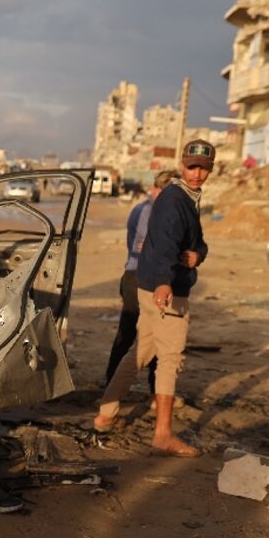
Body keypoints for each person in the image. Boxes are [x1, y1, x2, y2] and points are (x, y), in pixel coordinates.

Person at [93, 140, 214, 457]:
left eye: (203, 168)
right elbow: (163, 245)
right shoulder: (175, 201)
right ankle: (162, 435)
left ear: (210, 170)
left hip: (150, 286)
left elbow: (198, 242)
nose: (197, 174)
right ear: (182, 165)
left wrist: (198, 255)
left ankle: (105, 415)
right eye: (192, 167)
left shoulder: (186, 198)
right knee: (170, 359)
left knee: (141, 352)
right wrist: (164, 283)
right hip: (165, 289)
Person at [103, 170, 177, 392]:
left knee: (154, 334)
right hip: (139, 277)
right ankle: (112, 386)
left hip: (145, 275)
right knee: (130, 333)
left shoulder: (153, 209)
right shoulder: (148, 211)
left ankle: (155, 389)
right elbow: (143, 247)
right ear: (159, 189)